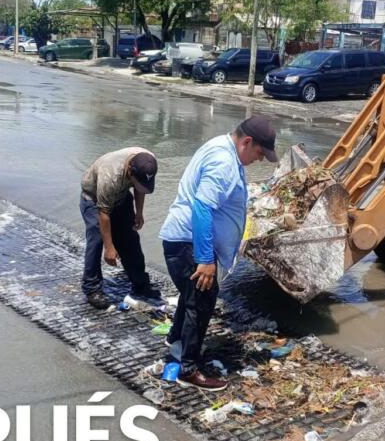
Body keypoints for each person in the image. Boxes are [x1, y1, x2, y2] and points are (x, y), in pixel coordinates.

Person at [159, 116, 279, 391]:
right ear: (247, 142)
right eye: (260, 153)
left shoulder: (221, 147)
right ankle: (187, 369)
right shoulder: (224, 162)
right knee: (200, 303)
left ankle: (176, 341)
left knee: (192, 298)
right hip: (189, 242)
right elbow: (202, 207)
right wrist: (204, 259)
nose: (260, 160)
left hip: (185, 240)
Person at [80, 147, 163, 309]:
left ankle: (140, 284)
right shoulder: (110, 175)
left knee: (130, 239)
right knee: (97, 241)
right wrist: (109, 247)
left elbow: (141, 187)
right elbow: (104, 213)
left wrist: (139, 213)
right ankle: (92, 288)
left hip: (122, 196)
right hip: (94, 199)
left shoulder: (148, 161)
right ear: (130, 171)